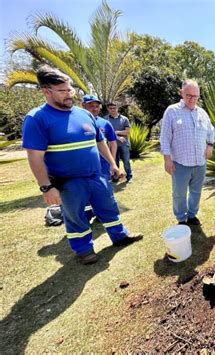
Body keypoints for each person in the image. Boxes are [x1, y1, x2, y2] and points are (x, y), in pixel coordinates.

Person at [22, 65, 142, 265]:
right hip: (68, 182)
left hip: (96, 175)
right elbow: (35, 157)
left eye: (70, 89)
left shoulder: (83, 114)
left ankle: (119, 236)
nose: (69, 94)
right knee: (76, 216)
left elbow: (99, 142)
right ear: (46, 91)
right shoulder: (37, 119)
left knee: (109, 207)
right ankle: (84, 250)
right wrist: (46, 187)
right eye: (63, 91)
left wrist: (112, 164)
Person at [160, 79, 215, 225]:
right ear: (181, 93)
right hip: (180, 163)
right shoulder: (172, 111)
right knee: (179, 194)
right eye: (188, 95)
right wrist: (167, 159)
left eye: (195, 96)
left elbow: (211, 131)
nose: (192, 99)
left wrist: (210, 145)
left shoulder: (202, 113)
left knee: (196, 192)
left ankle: (192, 215)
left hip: (200, 163)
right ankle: (181, 218)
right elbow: (165, 136)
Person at [82, 94, 118, 221]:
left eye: (97, 106)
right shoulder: (77, 122)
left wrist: (112, 162)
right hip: (83, 166)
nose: (94, 109)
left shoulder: (105, 123)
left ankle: (102, 215)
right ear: (83, 106)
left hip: (102, 165)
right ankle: (86, 216)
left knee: (104, 191)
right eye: (91, 106)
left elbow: (113, 143)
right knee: (85, 193)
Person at [105, 102, 132, 183]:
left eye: (114, 108)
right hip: (112, 145)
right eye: (110, 108)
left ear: (117, 108)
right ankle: (116, 177)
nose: (112, 110)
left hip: (124, 144)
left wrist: (115, 132)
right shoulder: (105, 119)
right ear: (108, 109)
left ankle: (129, 176)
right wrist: (117, 137)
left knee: (126, 161)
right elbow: (105, 133)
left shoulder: (124, 119)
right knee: (114, 161)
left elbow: (127, 132)